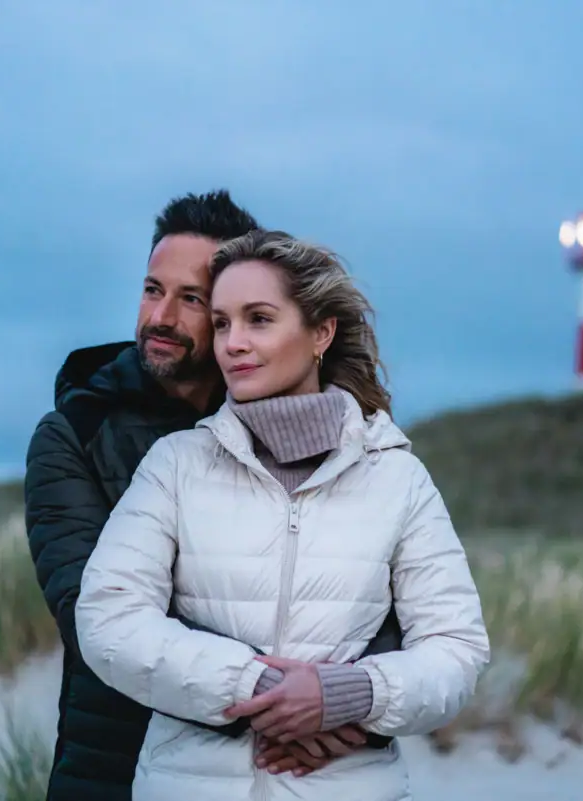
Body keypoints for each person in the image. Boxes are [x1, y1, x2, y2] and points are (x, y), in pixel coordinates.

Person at [75, 229, 491, 800]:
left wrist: (346, 697)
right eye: (222, 323)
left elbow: (456, 648)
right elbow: (109, 619)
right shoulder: (176, 465)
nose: (233, 343)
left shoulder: (397, 478)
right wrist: (260, 687)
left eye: (259, 320)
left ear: (321, 332)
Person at [24, 194, 401, 801]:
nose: (161, 316)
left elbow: (380, 604)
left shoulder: (317, 432)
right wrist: (285, 699)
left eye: (192, 299)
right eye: (152, 290)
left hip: (292, 772)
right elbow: (92, 613)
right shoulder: (76, 432)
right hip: (112, 758)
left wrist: (343, 701)